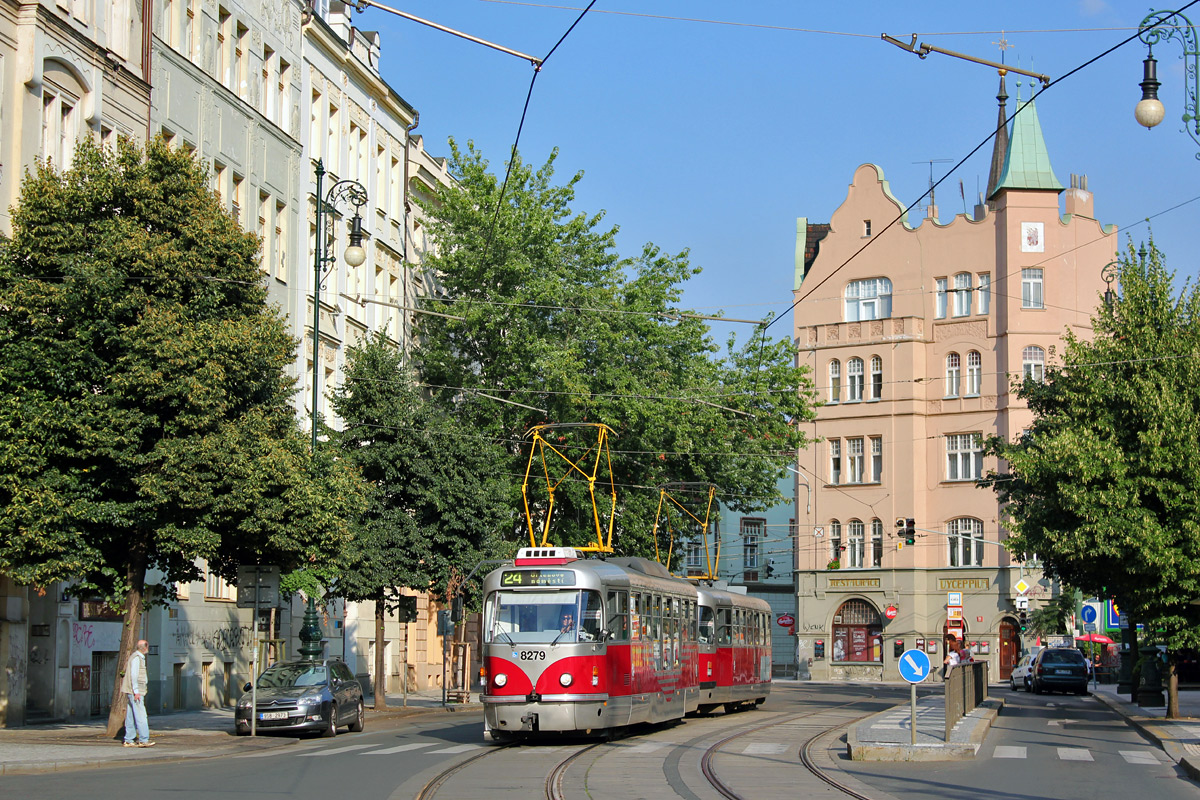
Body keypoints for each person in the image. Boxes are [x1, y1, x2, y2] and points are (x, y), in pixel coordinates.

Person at [121, 639, 154, 748]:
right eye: (147, 646)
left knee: (130, 715)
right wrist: (136, 692)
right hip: (136, 692)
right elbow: (134, 676)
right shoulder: (137, 658)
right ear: (145, 647)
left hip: (133, 691)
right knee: (141, 715)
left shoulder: (137, 657)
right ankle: (144, 739)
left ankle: (129, 739)